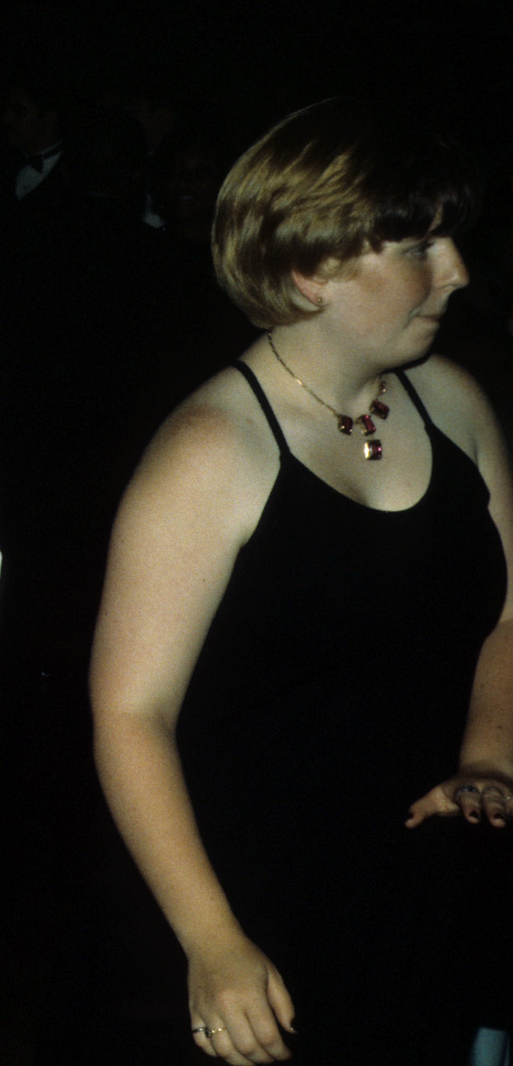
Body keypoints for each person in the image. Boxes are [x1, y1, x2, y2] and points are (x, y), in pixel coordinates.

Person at [90, 99, 513, 1065]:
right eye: (420, 245)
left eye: (452, 239)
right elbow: (130, 715)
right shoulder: (212, 448)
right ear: (311, 268)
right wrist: (212, 941)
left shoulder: (453, 402)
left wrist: (490, 757)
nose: (457, 271)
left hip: (415, 880)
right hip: (243, 895)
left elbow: (509, 614)